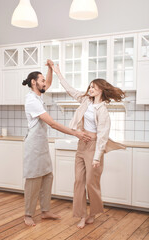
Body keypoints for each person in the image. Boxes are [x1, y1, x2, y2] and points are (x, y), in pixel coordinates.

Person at [52, 64, 126, 229]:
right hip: (81, 145)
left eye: (93, 87)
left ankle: (93, 213)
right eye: (90, 87)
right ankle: (82, 215)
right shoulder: (86, 100)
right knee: (78, 181)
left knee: (91, 183)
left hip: (93, 147)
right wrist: (58, 73)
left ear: (100, 90)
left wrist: (96, 157)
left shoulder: (103, 111)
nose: (90, 89)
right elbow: (71, 90)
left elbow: (103, 136)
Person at [22, 60, 90, 227]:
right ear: (33, 82)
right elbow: (52, 123)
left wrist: (50, 69)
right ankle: (28, 214)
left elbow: (49, 83)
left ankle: (45, 211)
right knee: (33, 179)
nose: (45, 83)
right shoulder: (31, 100)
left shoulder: (39, 95)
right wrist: (76, 133)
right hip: (33, 144)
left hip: (41, 144)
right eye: (42, 80)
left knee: (47, 176)